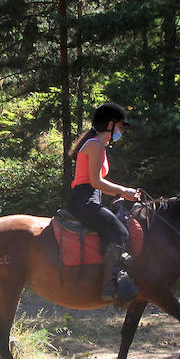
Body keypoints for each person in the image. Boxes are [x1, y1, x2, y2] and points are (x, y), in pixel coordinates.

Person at [68, 102, 141, 306]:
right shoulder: (95, 145)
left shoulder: (97, 145)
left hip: (90, 197)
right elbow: (95, 182)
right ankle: (110, 287)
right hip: (84, 201)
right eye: (119, 126)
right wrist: (123, 191)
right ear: (109, 124)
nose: (120, 131)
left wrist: (119, 195)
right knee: (120, 233)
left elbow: (96, 184)